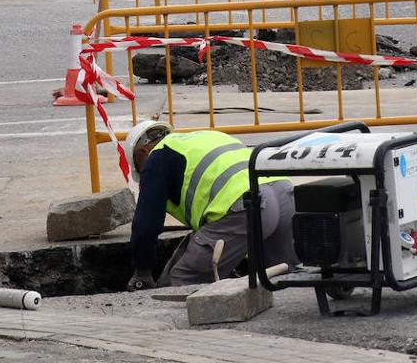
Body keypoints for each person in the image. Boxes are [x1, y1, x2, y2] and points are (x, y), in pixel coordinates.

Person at [124, 121, 298, 290]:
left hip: (247, 206)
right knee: (280, 276)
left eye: (139, 168)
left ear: (143, 151)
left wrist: (142, 272)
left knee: (185, 278)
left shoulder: (157, 157)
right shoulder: (204, 137)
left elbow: (146, 223)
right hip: (283, 194)